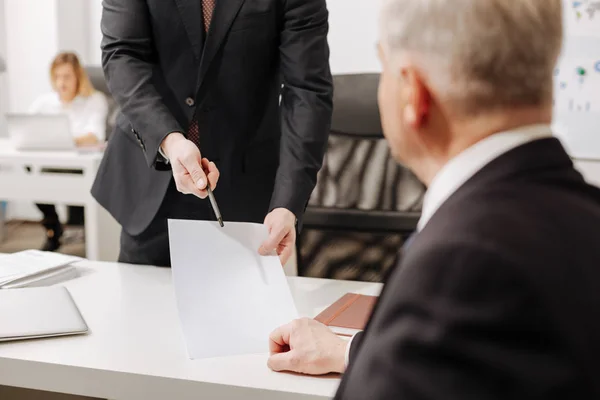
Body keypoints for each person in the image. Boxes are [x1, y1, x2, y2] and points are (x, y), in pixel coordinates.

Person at [267, 0, 600, 398]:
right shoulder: (586, 218)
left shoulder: (458, 268)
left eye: (384, 66)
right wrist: (353, 352)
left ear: (413, 92)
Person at [92, 0, 333, 267]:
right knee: (143, 302)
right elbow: (122, 53)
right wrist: (169, 140)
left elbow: (306, 92)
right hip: (154, 176)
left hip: (244, 185)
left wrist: (288, 202)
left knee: (242, 304)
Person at [29, 52, 109, 251]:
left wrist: (63, 140)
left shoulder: (94, 100)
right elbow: (27, 126)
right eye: (56, 77)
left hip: (80, 166)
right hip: (49, 163)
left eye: (66, 77)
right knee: (31, 180)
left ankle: (90, 235)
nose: (60, 82)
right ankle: (52, 227)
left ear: (78, 77)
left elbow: (95, 136)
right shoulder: (45, 102)